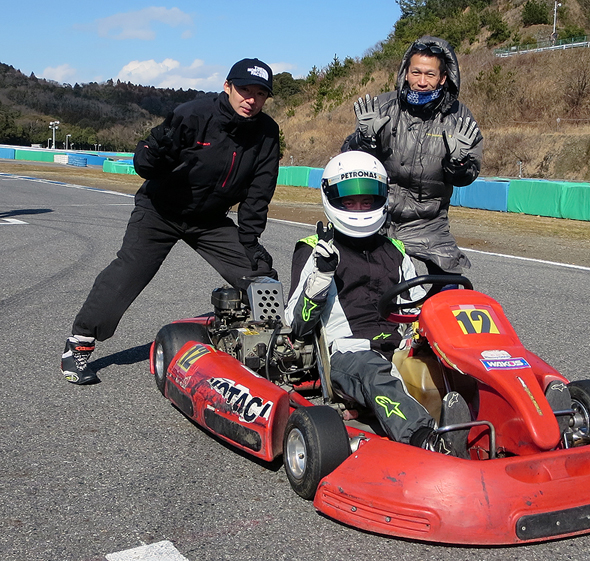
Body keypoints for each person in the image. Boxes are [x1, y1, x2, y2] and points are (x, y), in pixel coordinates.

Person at [61, 58, 280, 385]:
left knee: (260, 274)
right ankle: (79, 343)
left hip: (208, 219)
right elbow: (145, 164)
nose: (251, 99)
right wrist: (153, 154)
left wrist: (249, 242)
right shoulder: (194, 114)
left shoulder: (266, 133)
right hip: (160, 211)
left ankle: (270, 347)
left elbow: (258, 194)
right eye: (244, 90)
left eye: (260, 93)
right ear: (227, 87)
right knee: (129, 272)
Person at [285, 150, 470, 458]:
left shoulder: (395, 250)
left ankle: (517, 419)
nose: (359, 208)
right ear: (333, 198)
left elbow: (413, 309)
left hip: (398, 345)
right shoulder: (315, 251)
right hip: (349, 354)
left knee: (460, 353)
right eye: (350, 201)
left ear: (381, 198)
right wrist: (321, 275)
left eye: (367, 200)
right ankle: (426, 440)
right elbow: (297, 324)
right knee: (376, 373)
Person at [341, 36, 483, 276]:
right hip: (375, 214)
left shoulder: (460, 117)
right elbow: (348, 160)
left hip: (428, 223)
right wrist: (363, 140)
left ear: (443, 78)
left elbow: (466, 176)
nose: (422, 81)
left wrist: (458, 162)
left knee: (450, 286)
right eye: (416, 73)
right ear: (406, 73)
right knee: (353, 279)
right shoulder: (381, 106)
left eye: (430, 74)